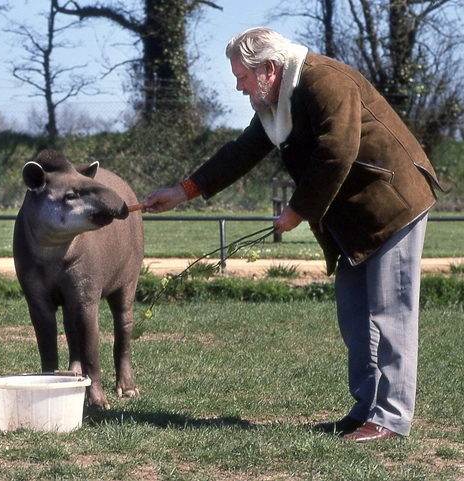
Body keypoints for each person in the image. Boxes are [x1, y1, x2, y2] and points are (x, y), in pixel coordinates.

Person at [141, 28, 441, 443]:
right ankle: (366, 409)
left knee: (392, 314)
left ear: (269, 68)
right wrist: (182, 191)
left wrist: (298, 210)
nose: (238, 86)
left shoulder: (324, 80)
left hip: (393, 204)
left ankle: (391, 418)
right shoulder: (275, 103)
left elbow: (337, 150)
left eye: (242, 77)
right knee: (355, 316)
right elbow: (241, 152)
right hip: (353, 219)